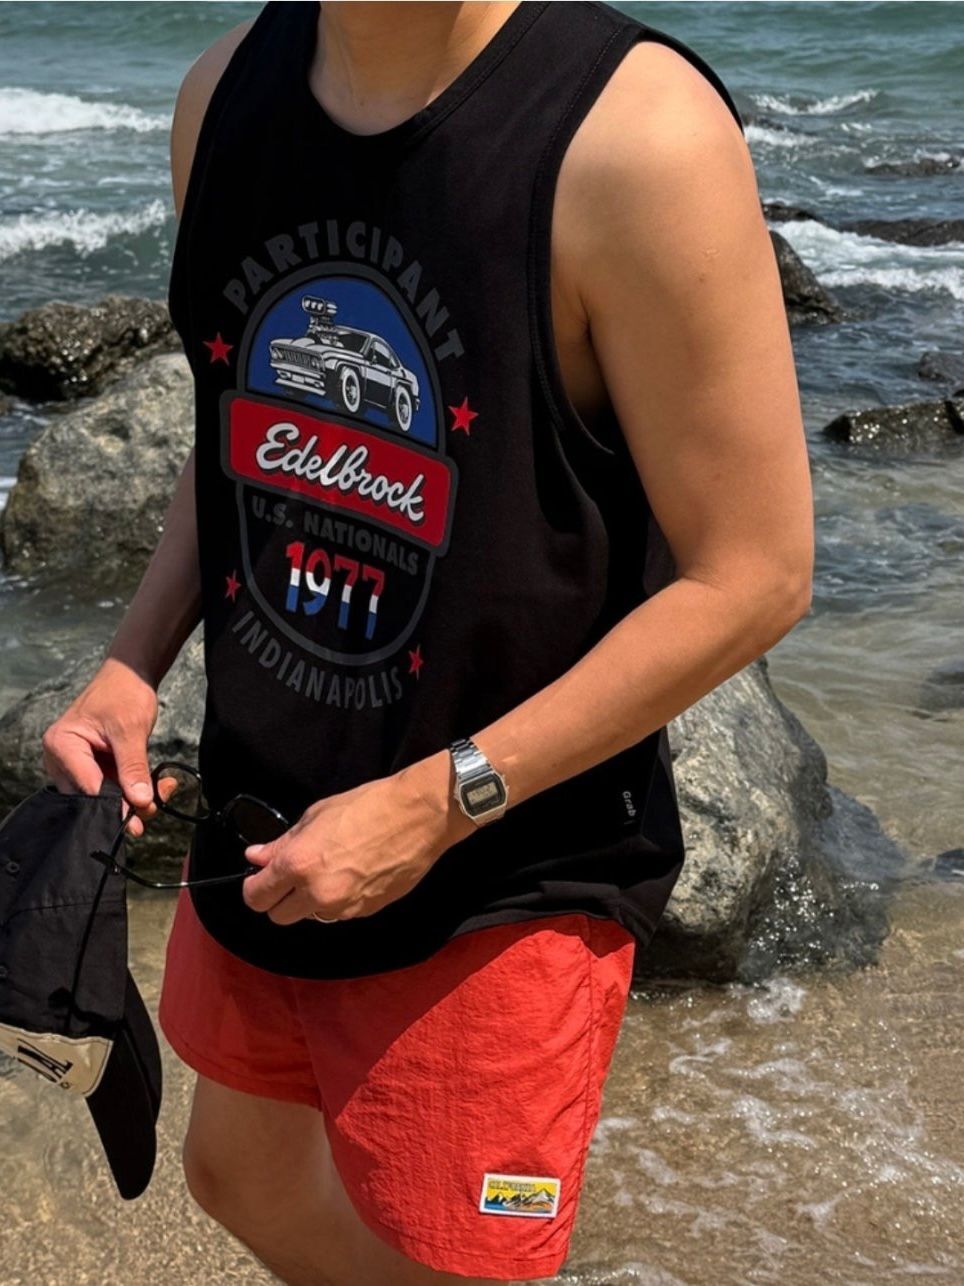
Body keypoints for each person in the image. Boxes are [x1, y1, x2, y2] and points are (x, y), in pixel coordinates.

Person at [41, 2, 813, 1282]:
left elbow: (755, 573)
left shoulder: (635, 135)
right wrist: (133, 661)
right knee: (238, 1169)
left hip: (504, 863)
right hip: (269, 808)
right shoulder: (223, 98)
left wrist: (440, 801)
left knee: (465, 1255)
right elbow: (240, 426)